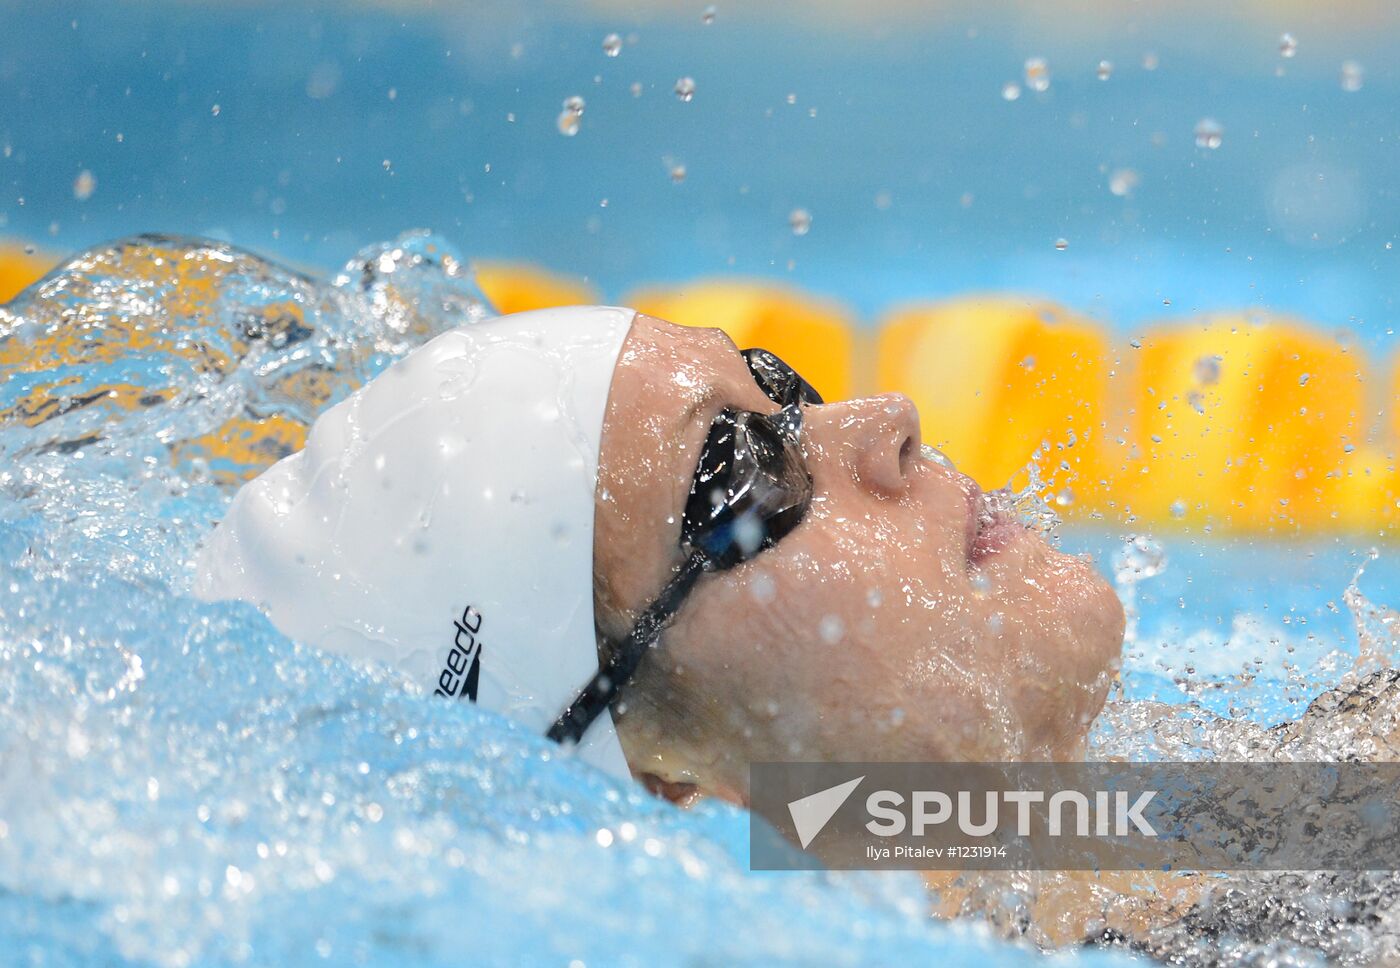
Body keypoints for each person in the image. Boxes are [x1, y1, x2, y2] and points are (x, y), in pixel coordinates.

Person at [197, 304, 1125, 805]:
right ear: (654, 779)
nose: (887, 419)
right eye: (741, 472)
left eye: (779, 389)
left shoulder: (1227, 831)